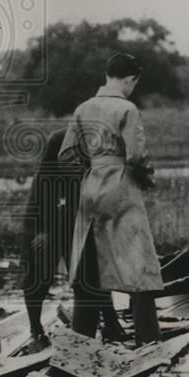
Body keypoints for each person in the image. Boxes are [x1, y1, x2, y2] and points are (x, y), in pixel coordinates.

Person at [60, 52, 163, 345]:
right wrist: (148, 181)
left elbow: (67, 155)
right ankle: (149, 343)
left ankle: (81, 344)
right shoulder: (127, 109)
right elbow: (137, 157)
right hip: (122, 189)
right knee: (139, 269)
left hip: (90, 188)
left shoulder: (83, 108)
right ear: (130, 79)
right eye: (134, 83)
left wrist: (90, 171)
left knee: (90, 271)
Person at [18, 129, 125, 352]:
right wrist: (45, 232)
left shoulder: (99, 151)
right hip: (45, 218)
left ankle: (111, 321)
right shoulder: (56, 148)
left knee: (92, 270)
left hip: (77, 218)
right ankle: (35, 329)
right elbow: (42, 194)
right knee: (38, 273)